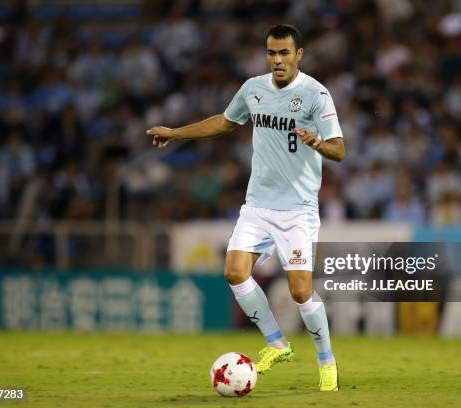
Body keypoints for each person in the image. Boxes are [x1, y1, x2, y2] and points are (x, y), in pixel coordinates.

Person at [146, 24, 344, 391]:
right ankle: (276, 343)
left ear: (299, 54)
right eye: (272, 53)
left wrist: (317, 142)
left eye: (285, 53)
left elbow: (339, 150)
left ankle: (326, 360)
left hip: (298, 210)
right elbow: (223, 122)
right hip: (257, 205)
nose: (277, 60)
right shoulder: (253, 89)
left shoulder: (317, 94)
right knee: (235, 272)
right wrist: (174, 133)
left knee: (301, 292)